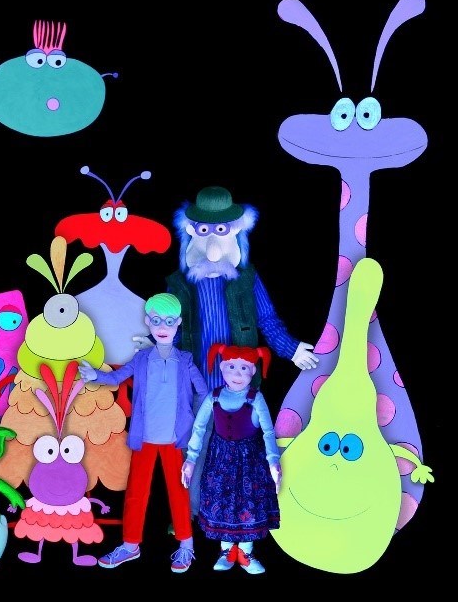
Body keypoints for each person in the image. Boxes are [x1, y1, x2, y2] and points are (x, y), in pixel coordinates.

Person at [136, 186, 318, 518]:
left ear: (235, 232)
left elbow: (266, 318)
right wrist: (155, 346)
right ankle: (190, 517)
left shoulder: (247, 279)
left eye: (220, 230)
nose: (212, 242)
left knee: (243, 451)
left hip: (240, 384)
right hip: (196, 385)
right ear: (191, 232)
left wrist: (290, 349)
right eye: (204, 230)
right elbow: (170, 326)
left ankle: (237, 516)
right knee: (195, 449)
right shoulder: (179, 283)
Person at [79, 292, 208, 574]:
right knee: (136, 492)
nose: (163, 326)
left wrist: (208, 413)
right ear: (148, 321)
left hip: (175, 440)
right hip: (145, 438)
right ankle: (129, 545)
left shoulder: (186, 360)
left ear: (179, 323)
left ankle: (187, 545)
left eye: (170, 321)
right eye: (157, 320)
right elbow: (117, 377)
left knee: (179, 493)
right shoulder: (141, 359)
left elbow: (204, 393)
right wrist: (95, 376)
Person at [182, 343, 281, 575]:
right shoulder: (214, 397)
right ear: (222, 368)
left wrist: (273, 461)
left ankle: (246, 552)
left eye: (244, 368)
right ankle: (226, 550)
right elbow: (199, 428)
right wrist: (191, 459)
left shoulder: (256, 398)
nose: (237, 374)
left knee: (249, 502)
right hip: (219, 461)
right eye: (232, 367)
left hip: (249, 462)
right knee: (221, 500)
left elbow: (268, 431)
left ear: (253, 371)